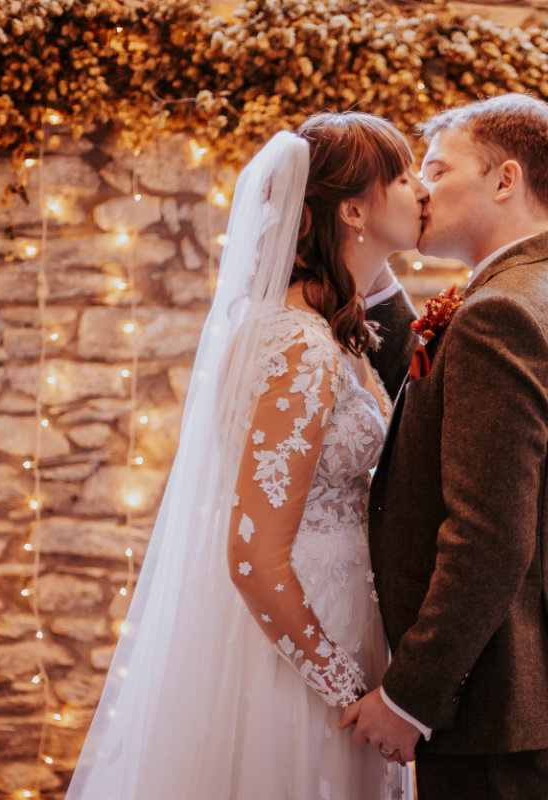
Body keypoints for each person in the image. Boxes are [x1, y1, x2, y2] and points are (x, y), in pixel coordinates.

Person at [66, 112, 426, 799]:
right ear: (353, 209)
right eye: (403, 177)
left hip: (346, 618)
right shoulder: (299, 344)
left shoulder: (333, 330)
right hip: (301, 653)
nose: (422, 191)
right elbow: (253, 555)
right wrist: (347, 690)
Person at [343, 94, 548, 799]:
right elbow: (444, 396)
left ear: (505, 179)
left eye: (437, 166)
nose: (423, 188)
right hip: (515, 677)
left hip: (488, 691)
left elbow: (489, 538)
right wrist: (367, 269)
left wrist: (410, 697)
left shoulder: (502, 312)